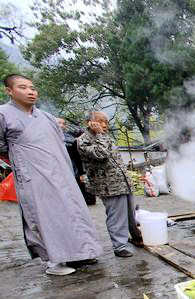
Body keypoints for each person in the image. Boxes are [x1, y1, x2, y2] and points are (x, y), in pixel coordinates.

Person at [0, 74, 102, 275]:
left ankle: (81, 252)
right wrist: (23, 161)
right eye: (23, 87)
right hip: (34, 175)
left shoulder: (46, 116)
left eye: (33, 88)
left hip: (60, 171)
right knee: (48, 215)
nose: (31, 91)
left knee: (73, 211)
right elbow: (2, 147)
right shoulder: (3, 114)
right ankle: (55, 262)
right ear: (9, 91)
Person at [77, 110, 143, 257]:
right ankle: (120, 246)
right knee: (116, 216)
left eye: (106, 122)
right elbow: (101, 154)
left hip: (122, 182)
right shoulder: (83, 140)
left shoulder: (106, 137)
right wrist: (99, 134)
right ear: (90, 123)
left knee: (131, 214)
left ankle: (136, 236)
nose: (104, 125)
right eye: (100, 121)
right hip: (108, 186)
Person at [57, 117, 96, 206]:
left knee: (79, 182)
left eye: (63, 123)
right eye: (59, 123)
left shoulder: (71, 135)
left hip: (75, 165)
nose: (62, 125)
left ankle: (85, 199)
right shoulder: (51, 137)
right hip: (61, 166)